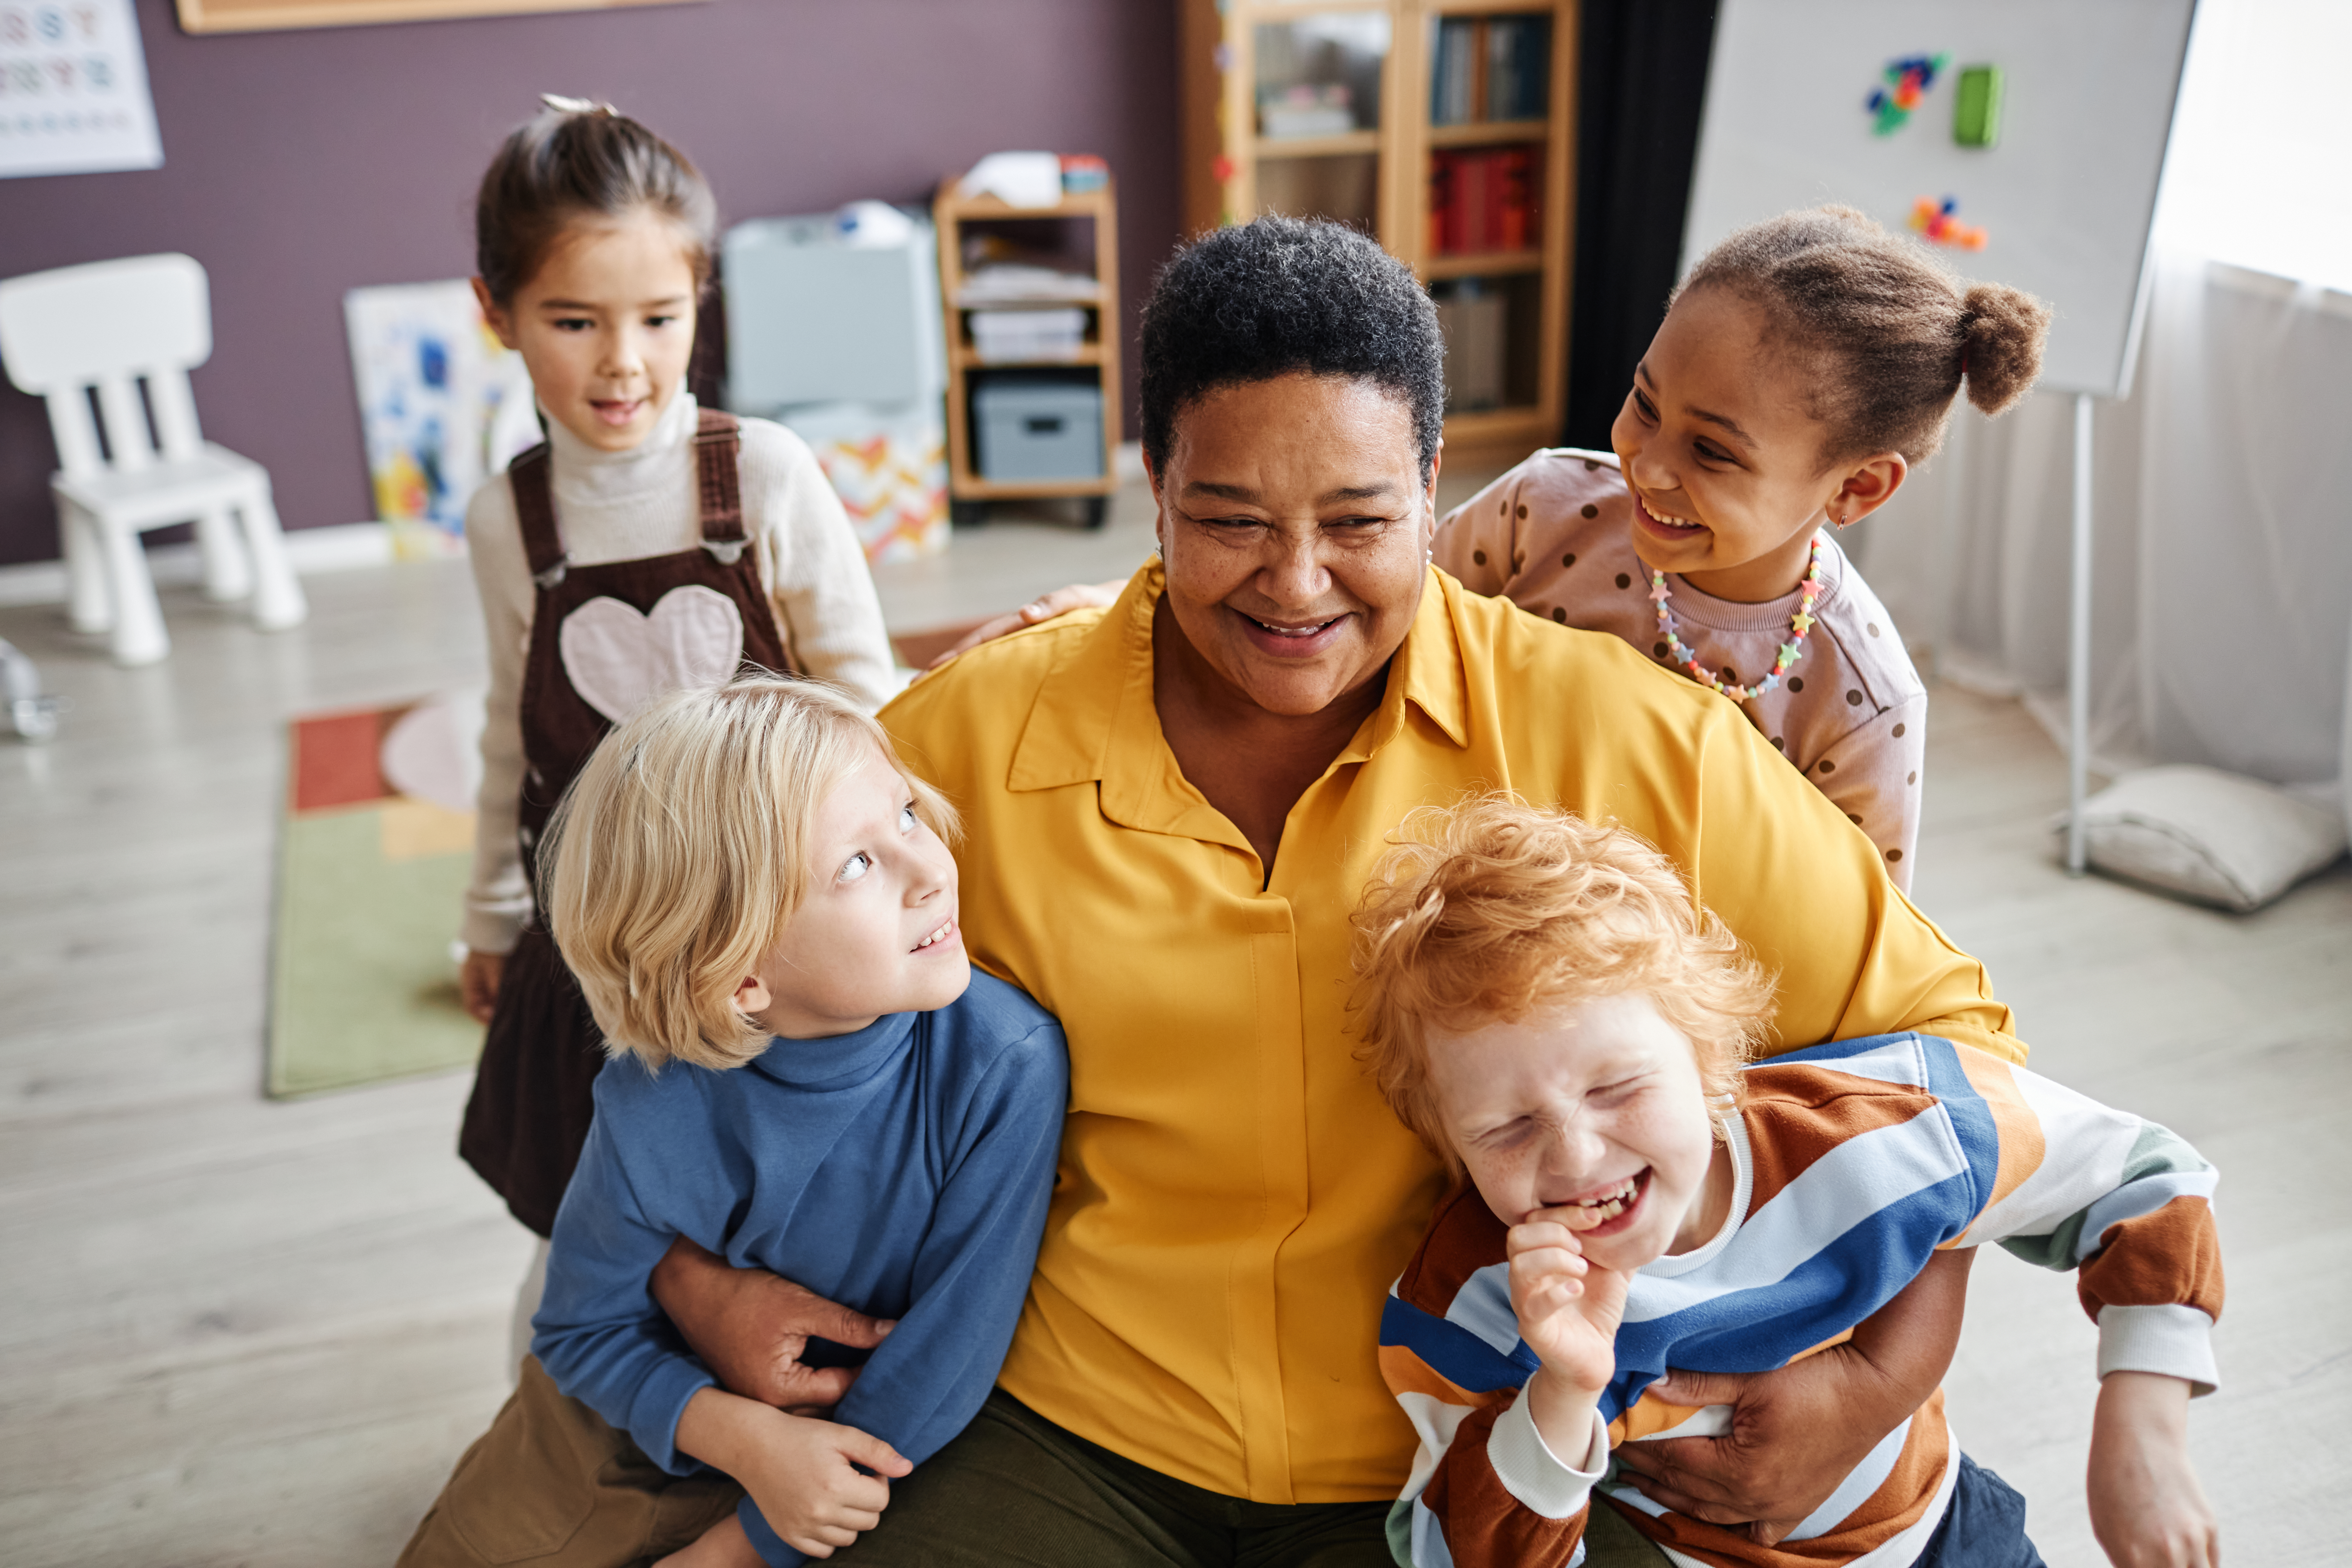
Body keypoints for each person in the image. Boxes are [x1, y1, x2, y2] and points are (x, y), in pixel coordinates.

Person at [640, 216, 2031, 1564]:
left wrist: (1880, 1381)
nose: (1296, 585)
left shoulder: (1635, 741)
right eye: (1228, 519)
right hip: (1063, 1429)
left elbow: (1961, 1062)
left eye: (1360, 522)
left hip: (1476, 1442)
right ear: (1154, 483)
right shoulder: (965, 736)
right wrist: (692, 1284)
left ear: (1437, 489)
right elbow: (700, 1005)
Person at [1354, 798, 2221, 1568]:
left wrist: (2143, 1433)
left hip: (1949, 1534)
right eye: (1508, 1128)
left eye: (1616, 1086)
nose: (1577, 1158)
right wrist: (1565, 1390)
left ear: (1708, 1060)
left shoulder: (1870, 1128)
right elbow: (1447, 1547)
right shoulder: (1472, 1296)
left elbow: (2146, 1178)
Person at [400, 676, 1068, 1568]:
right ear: (739, 975)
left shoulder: (1005, 1063)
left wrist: (744, 1546)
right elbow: (577, 1329)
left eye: (906, 814)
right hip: (643, 1419)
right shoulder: (651, 1097)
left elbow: (945, 1365)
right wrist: (743, 1439)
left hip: (858, 1462)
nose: (929, 870)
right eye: (857, 865)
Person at [449, 100, 897, 1315]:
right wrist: (493, 916)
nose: (624, 363)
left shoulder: (761, 475)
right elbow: (510, 732)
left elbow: (865, 703)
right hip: (594, 948)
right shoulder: (510, 521)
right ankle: (585, 1396)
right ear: (496, 314)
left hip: (770, 932)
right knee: (595, 1204)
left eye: (661, 318)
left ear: (704, 300)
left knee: (776, 1207)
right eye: (574, 321)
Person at [1434, 209, 2050, 889]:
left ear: (1859, 486)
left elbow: (1860, 939)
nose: (1651, 466)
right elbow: (1405, 653)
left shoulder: (1864, 700)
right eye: (1645, 402)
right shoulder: (1539, 510)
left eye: (1711, 450)